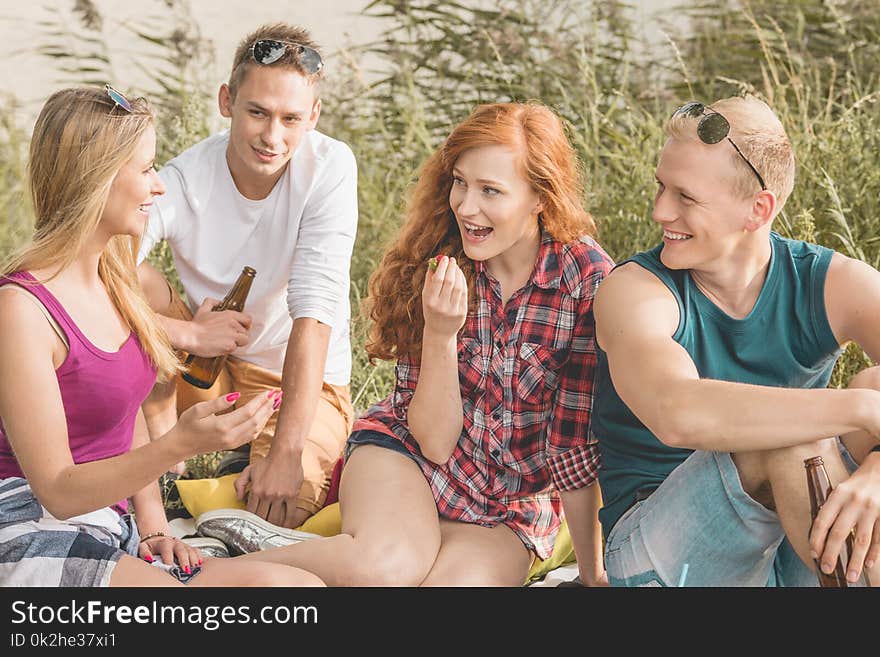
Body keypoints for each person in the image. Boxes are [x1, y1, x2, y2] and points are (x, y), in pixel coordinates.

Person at [219, 101, 614, 586]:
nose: (467, 207)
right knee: (384, 570)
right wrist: (441, 333)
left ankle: (307, 550)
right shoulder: (438, 261)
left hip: (508, 506)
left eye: (491, 190)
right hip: (408, 460)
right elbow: (434, 440)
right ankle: (204, 570)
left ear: (539, 198)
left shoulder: (585, 280)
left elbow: (573, 443)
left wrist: (594, 576)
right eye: (461, 182)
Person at [0, 86, 324, 587]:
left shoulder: (114, 282)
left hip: (108, 527)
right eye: (147, 169)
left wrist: (152, 525)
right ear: (97, 179)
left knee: (292, 589)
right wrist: (177, 445)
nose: (159, 186)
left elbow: (124, 416)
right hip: (28, 523)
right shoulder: (21, 310)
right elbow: (58, 491)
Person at [592, 95, 880, 587]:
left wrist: (877, 471)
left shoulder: (835, 283)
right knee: (795, 441)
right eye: (661, 187)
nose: (660, 211)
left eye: (685, 197)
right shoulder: (635, 291)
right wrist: (864, 410)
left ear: (757, 209)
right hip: (657, 555)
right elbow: (677, 413)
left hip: (791, 544)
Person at [136, 23, 358, 529]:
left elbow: (315, 314)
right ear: (226, 101)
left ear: (314, 116)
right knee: (137, 281)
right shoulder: (185, 177)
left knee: (284, 505)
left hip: (298, 380)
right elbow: (95, 268)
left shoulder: (330, 169)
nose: (272, 136)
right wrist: (188, 332)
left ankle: (230, 463)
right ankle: (163, 433)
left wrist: (285, 452)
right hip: (204, 366)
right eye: (257, 112)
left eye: (290, 118)